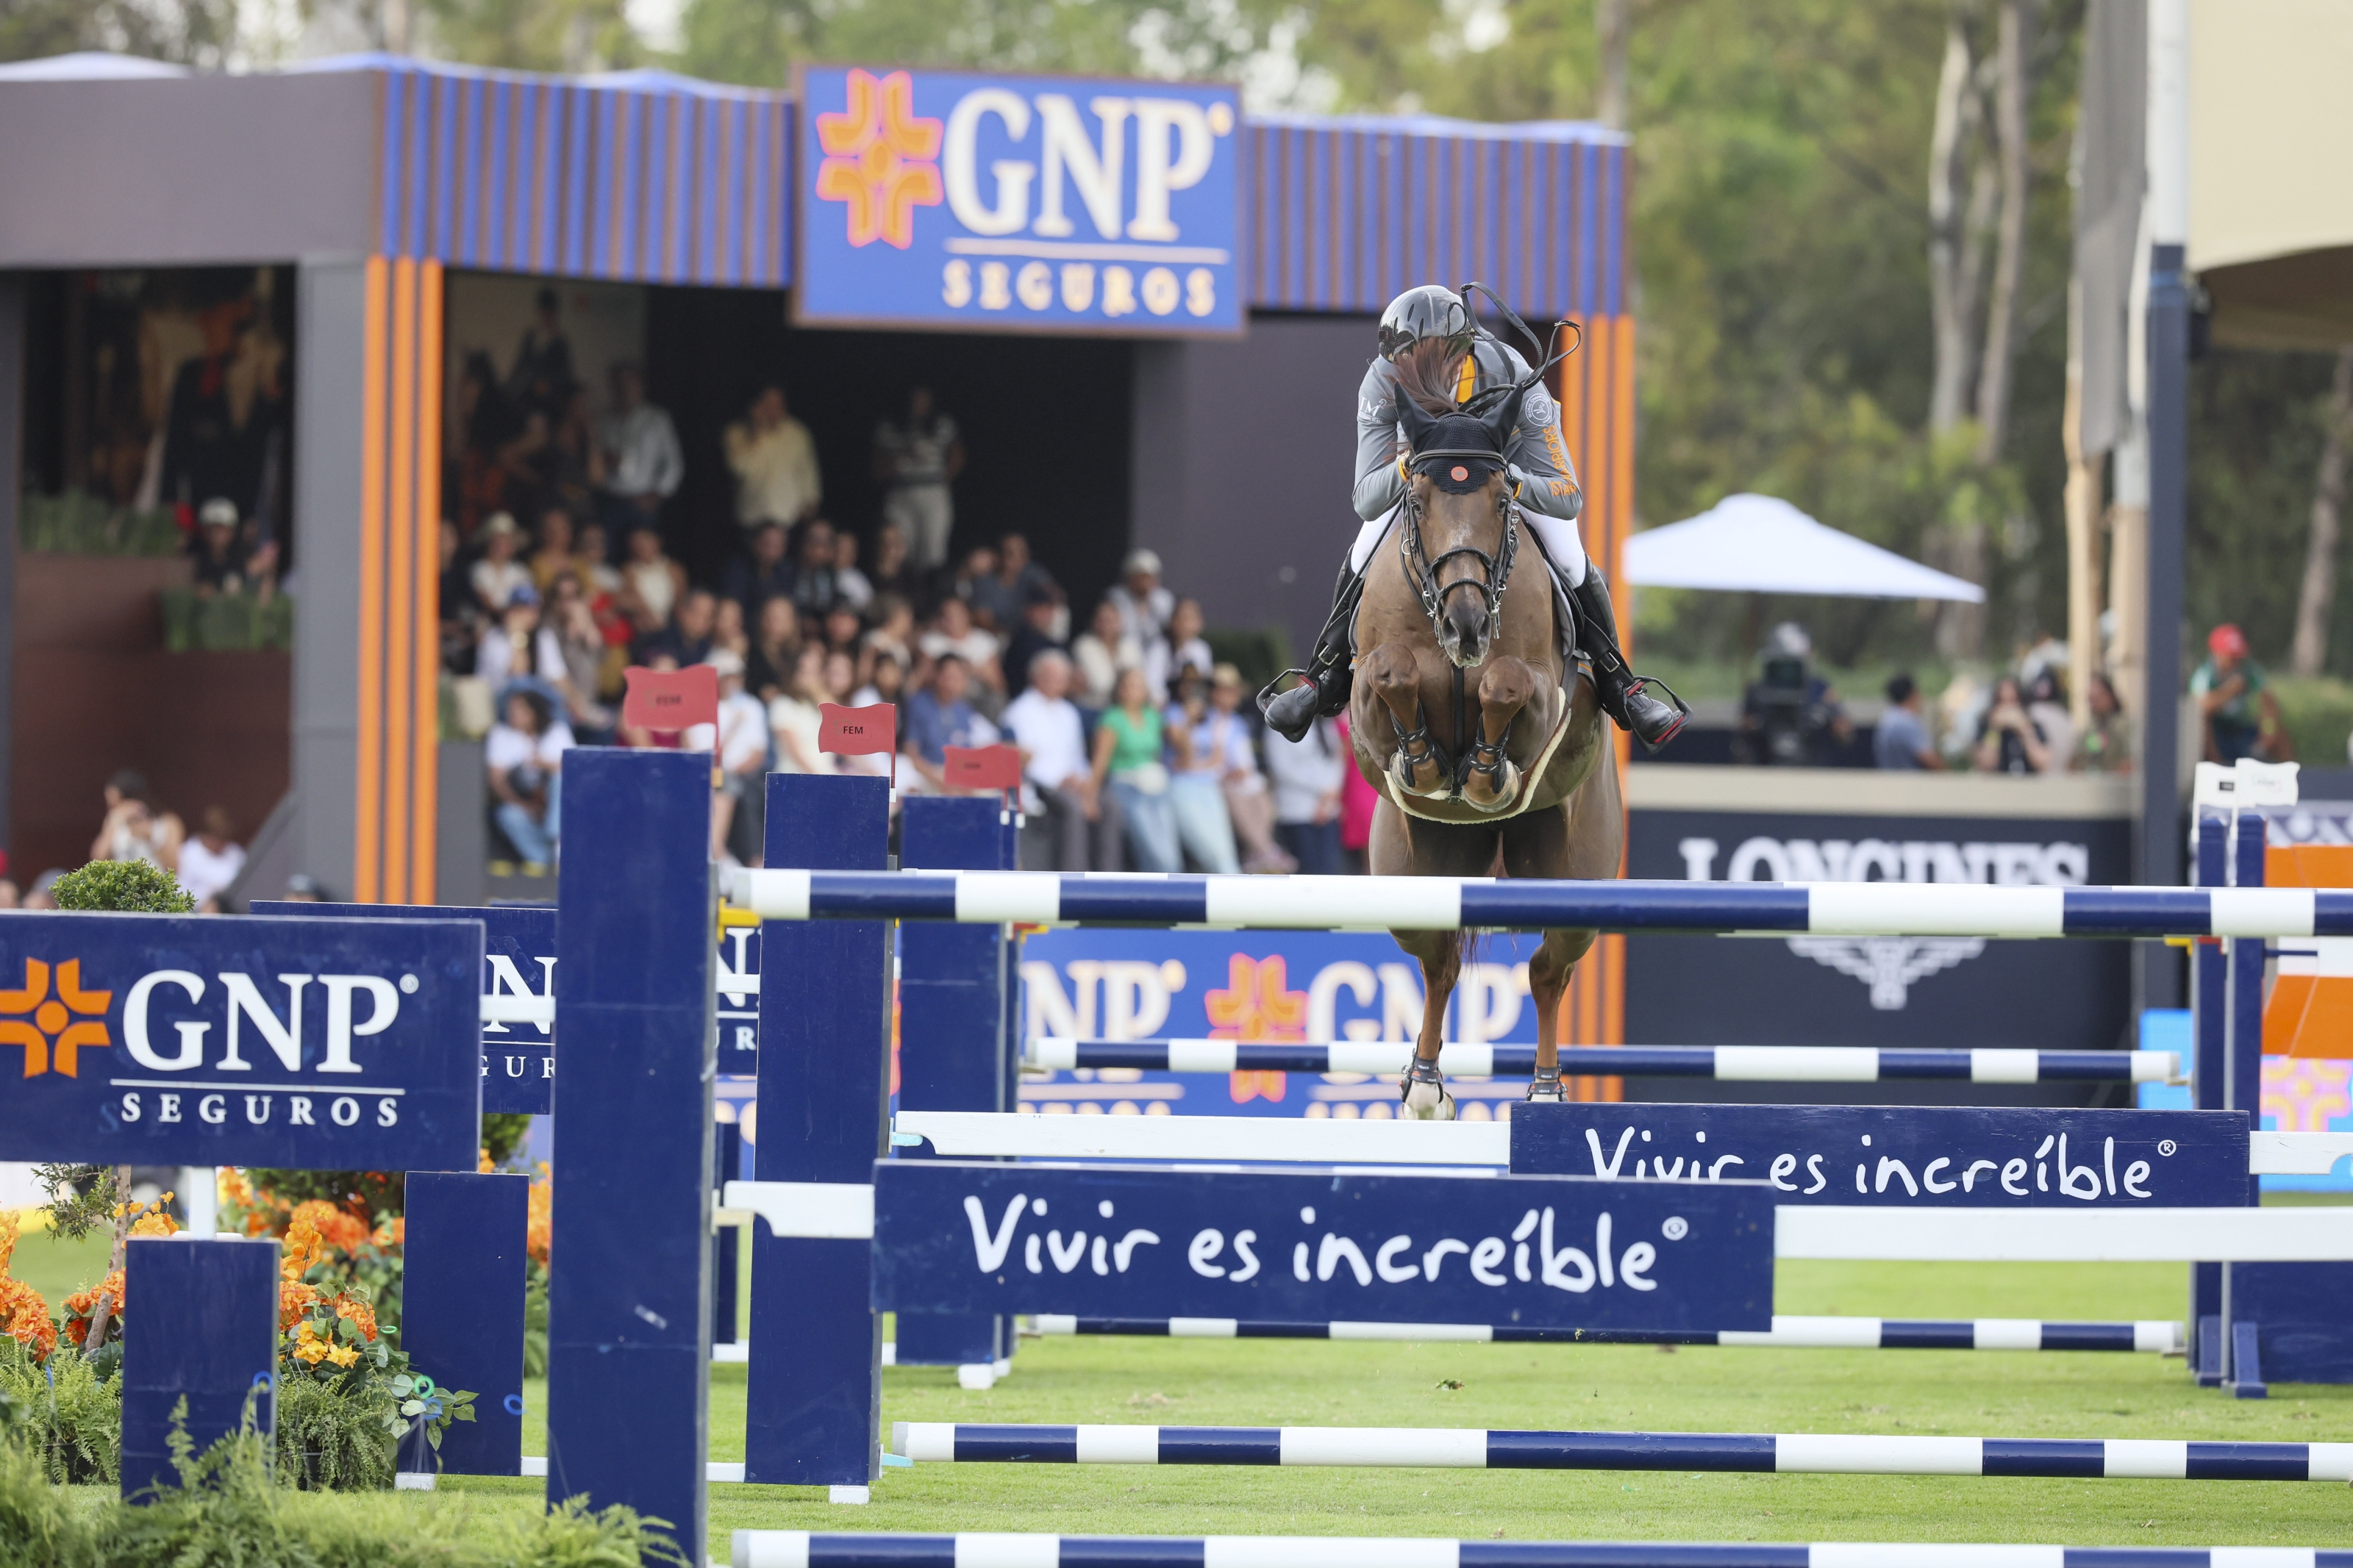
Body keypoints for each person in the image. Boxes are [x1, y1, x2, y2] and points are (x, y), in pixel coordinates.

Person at [1257, 284, 1682, 750]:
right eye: (1402, 360)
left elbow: (1566, 495)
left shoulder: (1514, 375)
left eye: (1425, 358)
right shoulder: (1382, 379)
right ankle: (1326, 674)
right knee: (1364, 547)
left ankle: (1621, 684)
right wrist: (1410, 465)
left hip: (1505, 481)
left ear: (1462, 352)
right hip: (1425, 483)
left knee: (1568, 554)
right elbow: (1366, 498)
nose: (1410, 371)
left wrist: (1512, 483)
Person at [1001, 650, 1120, 871]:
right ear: (1035, 677)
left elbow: (1077, 756)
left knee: (1110, 806)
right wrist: (1061, 781)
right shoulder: (1019, 711)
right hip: (1040, 785)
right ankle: (1073, 878)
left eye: (1061, 678)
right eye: (1050, 676)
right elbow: (1025, 760)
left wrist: (1085, 785)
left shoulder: (1069, 712)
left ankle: (1109, 877)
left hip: (1072, 782)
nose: (1056, 682)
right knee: (1073, 808)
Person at [1091, 666, 1180, 873]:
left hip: (1156, 787)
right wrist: (1091, 795)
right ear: (1120, 690)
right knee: (1152, 848)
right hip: (1127, 786)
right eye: (1129, 686)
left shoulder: (1153, 716)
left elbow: (1166, 751)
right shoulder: (1112, 719)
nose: (1134, 691)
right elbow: (1100, 761)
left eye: (1139, 686)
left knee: (1168, 846)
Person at [1206, 665, 1293, 873]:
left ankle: (1262, 851)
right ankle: (1266, 851)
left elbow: (1245, 761)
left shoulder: (1238, 723)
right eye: (1225, 692)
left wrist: (1243, 772)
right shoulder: (1206, 721)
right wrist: (1226, 772)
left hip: (1242, 780)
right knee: (1239, 801)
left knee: (1262, 802)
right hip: (1219, 782)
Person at [688, 651, 772, 862]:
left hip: (740, 774)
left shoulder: (751, 706)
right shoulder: (699, 705)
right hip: (706, 772)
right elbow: (697, 751)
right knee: (723, 782)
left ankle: (719, 852)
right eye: (726, 677)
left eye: (736, 676)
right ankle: (715, 852)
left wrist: (731, 771)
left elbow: (758, 753)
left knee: (731, 784)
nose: (731, 682)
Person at [872, 387, 964, 571]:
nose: (919, 405)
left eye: (924, 400)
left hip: (933, 491)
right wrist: (902, 458)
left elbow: (958, 455)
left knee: (933, 549)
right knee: (899, 546)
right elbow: (876, 466)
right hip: (901, 492)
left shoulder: (942, 424)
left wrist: (942, 478)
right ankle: (901, 585)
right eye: (915, 399)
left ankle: (931, 586)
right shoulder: (889, 427)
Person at [1738, 623, 1849, 766]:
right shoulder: (1757, 692)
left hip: (1810, 769)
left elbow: (1844, 734)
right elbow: (1742, 738)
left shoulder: (1820, 690)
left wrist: (1830, 714)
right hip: (1766, 769)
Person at [1165, 666, 1241, 874]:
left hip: (1209, 788)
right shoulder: (1172, 714)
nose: (1192, 689)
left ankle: (1233, 889)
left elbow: (1218, 757)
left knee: (1224, 850)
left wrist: (1194, 765)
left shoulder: (1210, 716)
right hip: (1182, 788)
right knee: (1207, 848)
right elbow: (1185, 754)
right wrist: (1188, 720)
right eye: (1187, 683)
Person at [486, 688, 572, 870]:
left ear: (534, 712)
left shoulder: (556, 731)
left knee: (559, 779)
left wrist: (543, 763)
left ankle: (557, 837)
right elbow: (496, 780)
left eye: (520, 709)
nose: (513, 714)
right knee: (508, 815)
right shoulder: (501, 734)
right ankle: (543, 862)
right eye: (511, 709)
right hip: (525, 803)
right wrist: (524, 806)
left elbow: (572, 770)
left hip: (554, 806)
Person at [595, 364, 682, 538]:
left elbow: (674, 462)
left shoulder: (656, 419)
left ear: (640, 386)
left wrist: (658, 495)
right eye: (620, 385)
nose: (625, 390)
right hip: (611, 499)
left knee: (642, 550)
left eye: (630, 384)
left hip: (642, 501)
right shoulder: (604, 421)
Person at [722, 383, 821, 531]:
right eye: (768, 404)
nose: (774, 410)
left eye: (778, 404)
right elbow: (739, 470)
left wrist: (811, 501)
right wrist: (756, 432)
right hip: (752, 519)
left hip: (789, 518)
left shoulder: (797, 433)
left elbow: (807, 471)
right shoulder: (736, 433)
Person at [1265, 715, 1348, 876]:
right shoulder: (1279, 725)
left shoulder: (1324, 723)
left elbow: (1337, 759)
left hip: (1328, 810)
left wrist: (1330, 794)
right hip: (1297, 811)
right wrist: (1322, 789)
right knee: (1306, 871)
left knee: (1330, 870)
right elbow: (1283, 769)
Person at [902, 654, 999, 791]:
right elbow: (911, 753)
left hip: (961, 774)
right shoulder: (918, 705)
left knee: (993, 790)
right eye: (949, 677)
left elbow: (971, 752)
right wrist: (937, 778)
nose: (953, 683)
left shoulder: (964, 710)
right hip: (930, 773)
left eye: (958, 677)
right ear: (937, 675)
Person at [2193, 623, 2283, 765]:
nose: (2237, 662)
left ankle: (2290, 772)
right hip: (2217, 732)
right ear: (2217, 654)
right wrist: (2229, 691)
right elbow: (2201, 708)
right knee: (2204, 723)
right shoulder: (2205, 675)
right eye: (2232, 657)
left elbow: (2269, 705)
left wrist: (2267, 735)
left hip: (2240, 728)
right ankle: (2218, 768)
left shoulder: (2248, 670)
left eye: (2238, 657)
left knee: (2280, 733)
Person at [505, 286, 576, 418]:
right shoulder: (530, 337)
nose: (546, 316)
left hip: (551, 401)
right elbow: (519, 366)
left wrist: (549, 385)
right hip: (529, 395)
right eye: (544, 312)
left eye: (550, 312)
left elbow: (566, 375)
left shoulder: (561, 342)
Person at [90, 770, 182, 870]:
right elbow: (98, 861)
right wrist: (113, 824)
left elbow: (174, 867)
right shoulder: (114, 821)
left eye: (116, 804)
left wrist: (151, 837)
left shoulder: (167, 823)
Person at [476, 587, 564, 691]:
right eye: (523, 610)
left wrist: (578, 701)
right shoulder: (494, 639)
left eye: (534, 610)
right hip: (499, 697)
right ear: (510, 612)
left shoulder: (543, 636)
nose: (531, 616)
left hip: (535, 697)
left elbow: (559, 678)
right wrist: (518, 635)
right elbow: (518, 675)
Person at [919, 597, 1004, 698]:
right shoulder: (931, 642)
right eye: (948, 616)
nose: (953, 619)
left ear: (967, 615)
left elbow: (998, 684)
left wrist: (972, 670)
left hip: (977, 697)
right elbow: (922, 677)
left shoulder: (985, 642)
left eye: (957, 615)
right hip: (941, 696)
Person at [616, 524, 686, 638]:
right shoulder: (627, 571)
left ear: (658, 541)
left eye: (646, 541)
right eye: (637, 543)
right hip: (641, 629)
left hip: (671, 627)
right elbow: (626, 600)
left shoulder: (674, 569)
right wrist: (648, 616)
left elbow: (681, 601)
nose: (642, 547)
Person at [1071, 598, 1142, 711]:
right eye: (1102, 620)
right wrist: (1127, 686)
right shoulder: (1084, 645)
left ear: (1120, 622)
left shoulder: (1129, 645)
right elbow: (1101, 683)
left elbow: (1136, 678)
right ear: (1094, 622)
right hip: (1094, 708)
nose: (1107, 625)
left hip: (1125, 709)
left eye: (1111, 620)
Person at [721, 521, 794, 629]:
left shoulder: (786, 571)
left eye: (777, 545)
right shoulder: (738, 569)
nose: (772, 550)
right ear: (755, 543)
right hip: (743, 628)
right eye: (767, 543)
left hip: (775, 629)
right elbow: (733, 606)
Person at [1973, 676, 2051, 775]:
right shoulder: (1986, 727)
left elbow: (2043, 763)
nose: (2007, 707)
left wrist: (2025, 730)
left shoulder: (2034, 726)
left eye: (2012, 700)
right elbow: (1986, 764)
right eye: (2002, 701)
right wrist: (1994, 729)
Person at [1001, 586, 1067, 701]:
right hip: (1023, 699)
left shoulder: (1054, 642)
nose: (1046, 615)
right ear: (1028, 611)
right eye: (1041, 610)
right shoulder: (1021, 641)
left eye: (1049, 610)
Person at [1145, 595, 1214, 704]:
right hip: (1166, 705)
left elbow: (1204, 683)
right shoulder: (1160, 648)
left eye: (1192, 618)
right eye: (1183, 618)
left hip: (1193, 705)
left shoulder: (1202, 649)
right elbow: (1153, 683)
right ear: (1173, 621)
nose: (1187, 624)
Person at [177, 806, 246, 910]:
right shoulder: (187, 854)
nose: (221, 844)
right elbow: (180, 894)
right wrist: (208, 900)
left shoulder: (236, 854)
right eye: (217, 838)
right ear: (206, 834)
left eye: (224, 839)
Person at [1105, 548, 1174, 650]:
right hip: (1124, 649)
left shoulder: (1164, 599)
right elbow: (1123, 631)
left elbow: (1169, 632)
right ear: (1130, 577)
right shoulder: (1116, 597)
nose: (1146, 582)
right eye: (1141, 577)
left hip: (1157, 652)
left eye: (1150, 577)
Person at [1873, 673, 1943, 770]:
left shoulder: (1887, 718)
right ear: (1913, 694)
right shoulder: (1907, 723)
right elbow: (1930, 760)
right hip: (1910, 778)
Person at [471, 512, 532, 615]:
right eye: (497, 542)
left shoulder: (521, 571)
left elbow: (528, 601)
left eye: (506, 541)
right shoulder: (478, 569)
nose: (501, 546)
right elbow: (487, 603)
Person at [640, 588, 717, 667]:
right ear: (682, 611)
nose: (700, 621)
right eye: (696, 613)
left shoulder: (708, 647)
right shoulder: (659, 641)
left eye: (707, 616)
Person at [2073, 673, 2133, 773]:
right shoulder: (2090, 729)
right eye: (2091, 700)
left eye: (2097, 698)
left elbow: (2130, 761)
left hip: (2114, 780)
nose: (2094, 704)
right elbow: (2076, 760)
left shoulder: (2124, 726)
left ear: (2110, 696)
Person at [746, 597, 802, 704]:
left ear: (793, 621)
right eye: (770, 617)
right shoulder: (748, 652)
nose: (774, 623)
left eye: (780, 618)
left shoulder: (804, 656)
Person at [790, 519, 841, 615]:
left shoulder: (833, 576)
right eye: (815, 540)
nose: (820, 548)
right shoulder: (788, 573)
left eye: (826, 542)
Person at [527, 506, 581, 593]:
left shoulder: (579, 562)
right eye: (550, 529)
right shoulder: (536, 563)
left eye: (561, 528)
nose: (555, 534)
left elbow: (592, 592)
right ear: (542, 532)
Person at [831, 530, 874, 611]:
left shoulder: (858, 581)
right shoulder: (822, 574)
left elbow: (866, 604)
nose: (838, 554)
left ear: (853, 555)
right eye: (837, 549)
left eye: (845, 551)